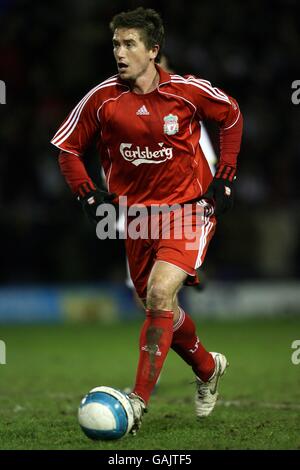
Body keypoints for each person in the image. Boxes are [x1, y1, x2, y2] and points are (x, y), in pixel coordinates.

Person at [51, 7, 243, 435]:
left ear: (154, 50)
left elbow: (231, 115)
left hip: (189, 209)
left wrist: (225, 176)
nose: (119, 52)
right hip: (137, 220)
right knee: (158, 306)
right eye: (116, 44)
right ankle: (209, 368)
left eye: (129, 44)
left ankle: (138, 401)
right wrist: (86, 193)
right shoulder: (102, 99)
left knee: (158, 295)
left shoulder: (187, 92)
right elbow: (66, 149)